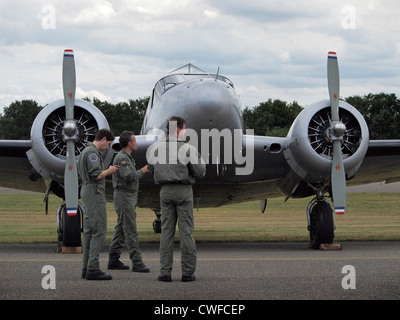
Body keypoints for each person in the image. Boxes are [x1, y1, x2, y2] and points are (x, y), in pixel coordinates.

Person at [147, 116, 206, 282]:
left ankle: (165, 272)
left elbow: (151, 168)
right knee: (186, 231)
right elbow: (200, 171)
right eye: (185, 128)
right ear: (179, 129)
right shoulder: (187, 148)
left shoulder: (155, 148)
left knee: (166, 232)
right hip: (183, 190)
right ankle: (187, 272)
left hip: (164, 191)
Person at [78, 128, 119, 280]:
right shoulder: (93, 153)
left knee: (89, 231)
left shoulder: (84, 151)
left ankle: (86, 267)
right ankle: (93, 268)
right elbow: (97, 175)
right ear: (103, 139)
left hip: (87, 191)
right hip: (94, 193)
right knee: (99, 230)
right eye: (108, 144)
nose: (108, 147)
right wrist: (110, 170)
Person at [108, 130, 150, 273]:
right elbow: (130, 176)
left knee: (121, 228)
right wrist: (143, 170)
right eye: (134, 140)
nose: (136, 142)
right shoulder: (122, 158)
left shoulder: (127, 157)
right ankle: (137, 262)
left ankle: (113, 259)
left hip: (128, 196)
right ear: (129, 143)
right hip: (124, 196)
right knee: (130, 230)